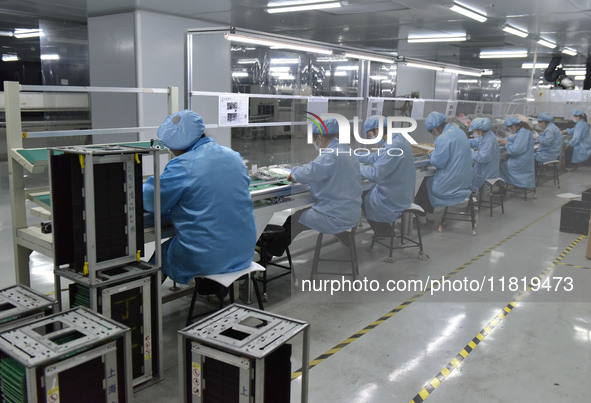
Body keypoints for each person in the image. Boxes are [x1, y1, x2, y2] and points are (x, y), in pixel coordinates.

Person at [143, 109, 256, 285]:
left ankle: (146, 302)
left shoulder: (184, 165)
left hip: (209, 259)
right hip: (243, 251)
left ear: (176, 145)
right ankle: (219, 291)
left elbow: (151, 199)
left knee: (161, 253)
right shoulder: (233, 156)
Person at [272, 118, 362, 250]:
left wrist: (292, 174)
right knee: (301, 215)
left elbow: (308, 173)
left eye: (314, 139)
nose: (314, 143)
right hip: (352, 212)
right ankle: (342, 233)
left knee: (294, 220)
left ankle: (270, 253)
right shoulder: (346, 149)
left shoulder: (330, 155)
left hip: (335, 215)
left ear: (319, 137)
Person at [358, 115, 416, 237]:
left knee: (363, 195)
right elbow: (375, 157)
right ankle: (383, 230)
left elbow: (375, 174)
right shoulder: (397, 139)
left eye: (371, 135)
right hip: (402, 191)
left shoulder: (393, 146)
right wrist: (355, 155)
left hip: (394, 196)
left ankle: (384, 232)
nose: (372, 139)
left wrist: (356, 165)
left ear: (377, 130)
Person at [414, 111, 473, 213]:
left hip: (450, 184)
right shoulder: (460, 132)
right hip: (465, 182)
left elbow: (438, 162)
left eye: (432, 132)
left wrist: (431, 154)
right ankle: (427, 214)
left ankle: (422, 215)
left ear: (435, 129)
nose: (434, 135)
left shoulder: (443, 138)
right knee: (427, 181)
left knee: (423, 184)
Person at [498, 116, 535, 189]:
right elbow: (516, 140)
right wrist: (506, 140)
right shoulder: (523, 131)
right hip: (524, 160)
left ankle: (502, 188)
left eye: (509, 128)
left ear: (514, 126)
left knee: (500, 166)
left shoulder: (522, 132)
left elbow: (515, 150)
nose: (508, 130)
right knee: (503, 161)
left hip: (520, 163)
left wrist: (506, 143)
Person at [468, 117, 500, 192]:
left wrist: (468, 150)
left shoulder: (489, 140)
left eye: (474, 131)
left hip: (486, 172)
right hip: (484, 169)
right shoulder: (485, 136)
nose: (474, 133)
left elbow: (482, 158)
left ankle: (474, 195)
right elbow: (475, 141)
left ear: (480, 130)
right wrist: (463, 141)